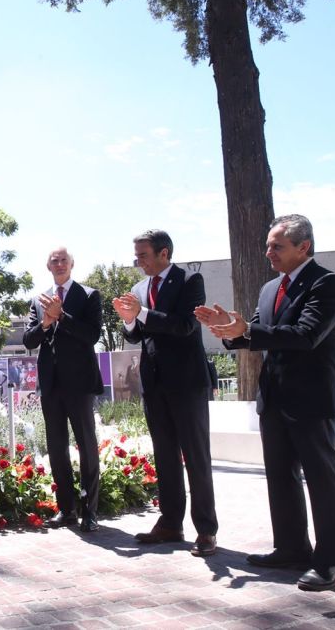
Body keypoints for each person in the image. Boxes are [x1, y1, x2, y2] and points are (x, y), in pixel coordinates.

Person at [197, 214, 335, 591]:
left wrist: (247, 330)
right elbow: (253, 333)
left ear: (304, 247)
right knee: (281, 477)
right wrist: (228, 330)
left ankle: (330, 562)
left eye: (277, 246)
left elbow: (306, 335)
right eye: (267, 245)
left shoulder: (326, 284)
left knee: (322, 480)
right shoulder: (270, 289)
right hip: (274, 398)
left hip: (312, 399)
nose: (268, 252)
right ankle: (291, 548)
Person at [113, 229, 218, 557]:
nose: (139, 263)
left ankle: (206, 530)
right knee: (165, 456)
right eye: (136, 257)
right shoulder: (139, 289)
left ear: (164, 253)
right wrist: (129, 320)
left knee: (196, 457)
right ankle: (171, 523)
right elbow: (136, 336)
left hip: (187, 382)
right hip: (154, 383)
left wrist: (142, 313)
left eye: (143, 256)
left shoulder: (189, 281)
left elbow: (185, 325)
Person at [23, 247, 103, 532]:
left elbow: (92, 335)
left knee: (86, 446)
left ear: (72, 264)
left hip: (80, 384)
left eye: (63, 260)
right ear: (48, 266)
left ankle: (90, 511)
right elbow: (29, 340)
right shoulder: (38, 299)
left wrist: (62, 316)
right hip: (51, 385)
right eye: (54, 261)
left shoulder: (88, 295)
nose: (59, 264)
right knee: (57, 448)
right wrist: (45, 323)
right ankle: (66, 509)